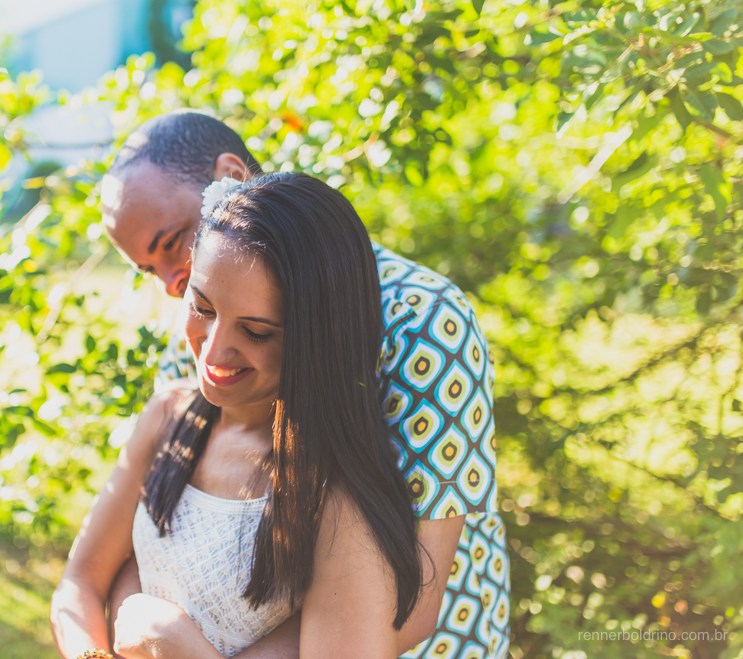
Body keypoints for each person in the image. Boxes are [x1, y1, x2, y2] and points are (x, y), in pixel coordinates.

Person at [53, 111, 509, 659]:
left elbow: (408, 605)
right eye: (151, 271)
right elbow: (152, 532)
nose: (174, 287)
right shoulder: (199, 327)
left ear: (232, 176)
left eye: (172, 242)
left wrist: (183, 649)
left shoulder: (424, 325)